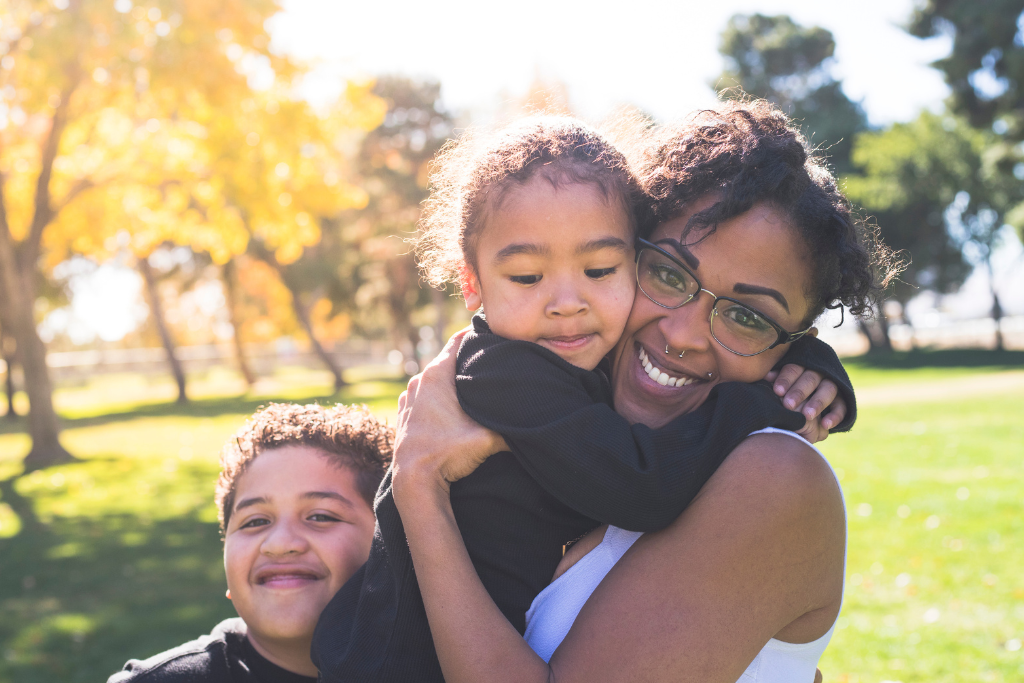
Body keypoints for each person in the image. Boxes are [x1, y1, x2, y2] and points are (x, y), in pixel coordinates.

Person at [312, 116, 854, 682]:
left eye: (749, 318)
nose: (683, 335)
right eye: (668, 276)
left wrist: (418, 487)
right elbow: (641, 485)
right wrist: (768, 397)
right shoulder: (512, 375)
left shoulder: (773, 475)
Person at [107, 403, 392, 683]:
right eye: (255, 521)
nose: (279, 544)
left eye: (320, 516)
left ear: (388, 542)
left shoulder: (433, 665)